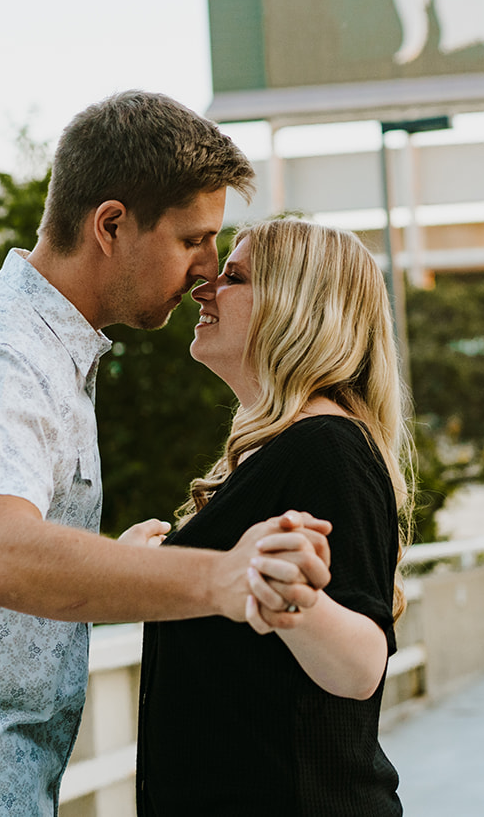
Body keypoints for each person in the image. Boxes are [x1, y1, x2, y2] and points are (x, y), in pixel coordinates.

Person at [0, 91, 335, 817]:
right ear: (111, 225)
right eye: (192, 240)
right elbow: (0, 554)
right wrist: (222, 577)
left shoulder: (48, 351)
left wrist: (130, 560)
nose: (208, 271)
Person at [135, 217, 415, 816]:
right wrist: (151, 569)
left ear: (298, 309)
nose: (202, 287)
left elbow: (362, 662)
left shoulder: (327, 447)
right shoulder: (272, 452)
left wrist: (293, 603)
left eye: (233, 276)